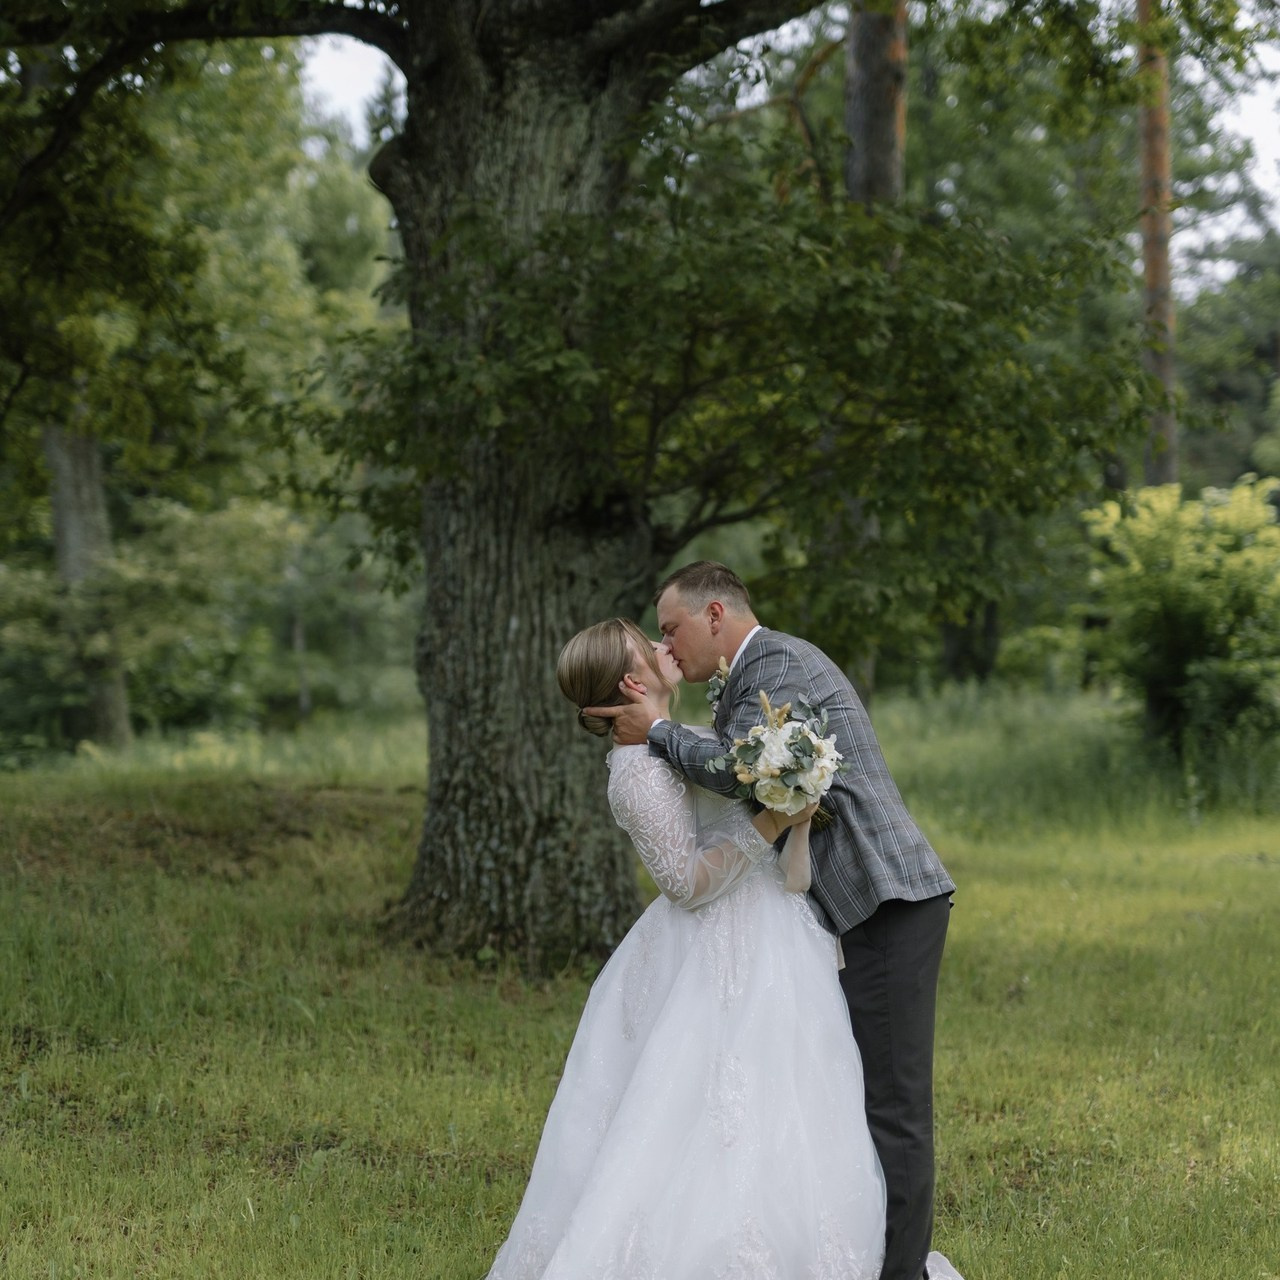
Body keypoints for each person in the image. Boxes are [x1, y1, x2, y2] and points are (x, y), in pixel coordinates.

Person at [486, 617, 887, 1279]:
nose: (663, 644)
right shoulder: (635, 774)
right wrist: (773, 818)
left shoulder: (668, 741)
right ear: (631, 679)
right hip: (716, 945)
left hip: (768, 929)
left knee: (790, 1094)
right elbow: (687, 885)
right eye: (650, 644)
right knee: (707, 1106)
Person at [587, 563, 956, 1280]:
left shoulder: (775, 664)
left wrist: (659, 728)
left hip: (887, 902)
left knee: (895, 1107)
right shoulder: (744, 678)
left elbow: (741, 772)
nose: (669, 645)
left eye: (672, 628)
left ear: (715, 614)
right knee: (852, 1099)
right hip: (844, 913)